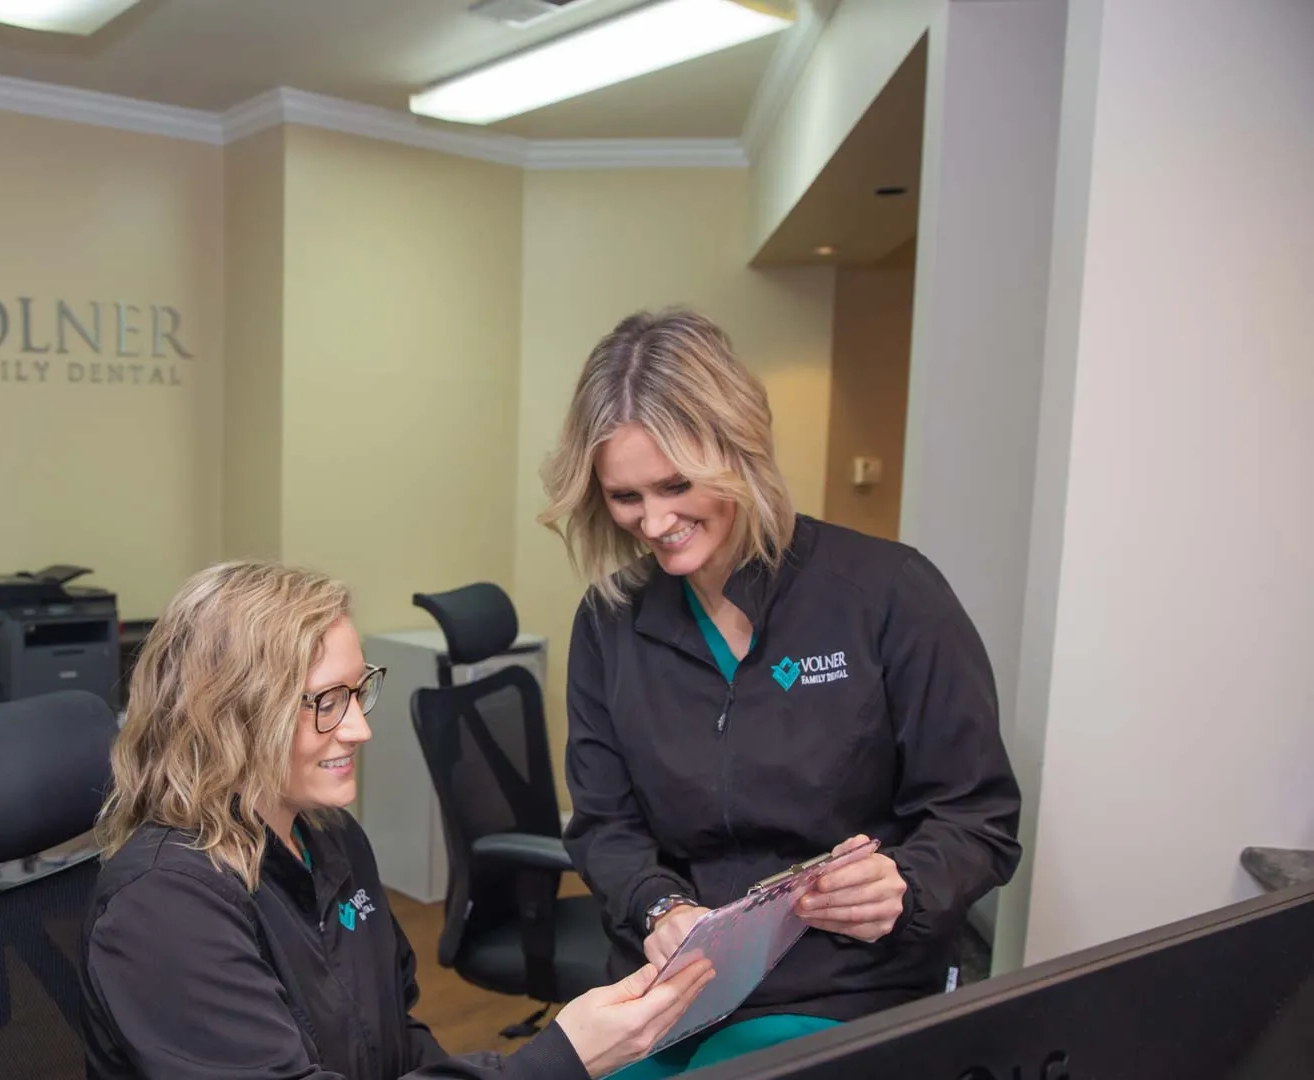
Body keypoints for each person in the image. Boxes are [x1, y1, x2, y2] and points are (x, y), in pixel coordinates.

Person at [536, 308, 1024, 1075]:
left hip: (848, 986)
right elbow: (605, 826)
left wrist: (906, 884)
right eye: (626, 497)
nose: (655, 522)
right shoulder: (611, 623)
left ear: (741, 450)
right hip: (672, 992)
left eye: (675, 484)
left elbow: (979, 815)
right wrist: (659, 907)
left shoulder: (889, 593)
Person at [80, 560, 717, 1080]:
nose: (359, 727)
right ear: (229, 715)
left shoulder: (329, 838)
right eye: (326, 702)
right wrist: (557, 1062)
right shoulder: (164, 904)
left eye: (359, 692)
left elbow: (396, 1040)